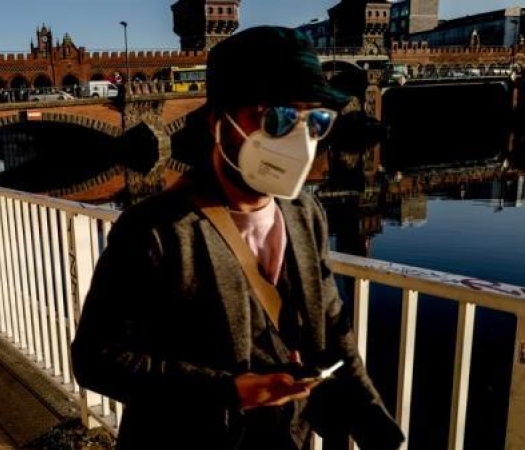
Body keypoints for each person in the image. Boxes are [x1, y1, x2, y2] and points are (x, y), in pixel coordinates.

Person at [70, 25, 406, 450]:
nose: (298, 139)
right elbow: (96, 360)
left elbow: (332, 335)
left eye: (315, 120)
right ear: (217, 121)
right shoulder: (154, 229)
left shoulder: (305, 213)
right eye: (276, 117)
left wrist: (379, 431)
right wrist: (230, 391)